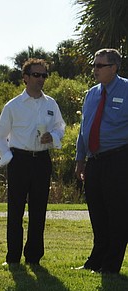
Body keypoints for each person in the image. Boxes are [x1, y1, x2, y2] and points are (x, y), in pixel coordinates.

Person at [0, 58, 65, 267]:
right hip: (19, 160)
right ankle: (13, 257)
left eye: (44, 75)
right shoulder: (13, 106)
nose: (41, 79)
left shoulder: (51, 104)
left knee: (38, 210)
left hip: (42, 160)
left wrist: (53, 136)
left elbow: (61, 126)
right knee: (15, 210)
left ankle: (34, 257)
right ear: (25, 78)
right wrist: (8, 158)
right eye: (36, 75)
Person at [75, 48, 128, 274]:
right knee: (97, 212)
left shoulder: (126, 89)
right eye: (94, 65)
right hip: (94, 161)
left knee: (117, 213)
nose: (95, 70)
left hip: (119, 158)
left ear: (113, 67)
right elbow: (84, 129)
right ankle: (96, 261)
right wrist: (80, 159)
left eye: (100, 66)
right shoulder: (91, 94)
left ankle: (111, 265)